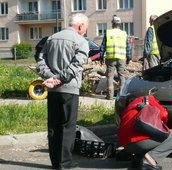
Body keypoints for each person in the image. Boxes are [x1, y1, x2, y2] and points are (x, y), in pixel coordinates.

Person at [36, 13, 89, 169]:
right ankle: (65, 163)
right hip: (69, 89)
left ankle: (55, 163)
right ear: (80, 26)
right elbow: (77, 66)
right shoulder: (80, 41)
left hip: (53, 91)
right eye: (85, 27)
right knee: (67, 127)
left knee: (53, 126)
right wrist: (59, 78)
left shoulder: (51, 38)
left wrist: (52, 78)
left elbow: (41, 62)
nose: (85, 31)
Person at [117, 95, 172, 169]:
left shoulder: (129, 108)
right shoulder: (149, 99)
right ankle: (150, 159)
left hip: (127, 147)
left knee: (147, 133)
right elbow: (163, 114)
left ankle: (138, 159)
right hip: (141, 143)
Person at [99, 15, 131, 100]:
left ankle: (109, 96)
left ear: (112, 24)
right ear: (120, 24)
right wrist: (129, 58)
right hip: (121, 59)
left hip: (110, 59)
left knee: (110, 77)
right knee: (122, 77)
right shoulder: (124, 34)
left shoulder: (108, 33)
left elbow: (103, 46)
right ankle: (121, 96)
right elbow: (128, 47)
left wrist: (101, 57)